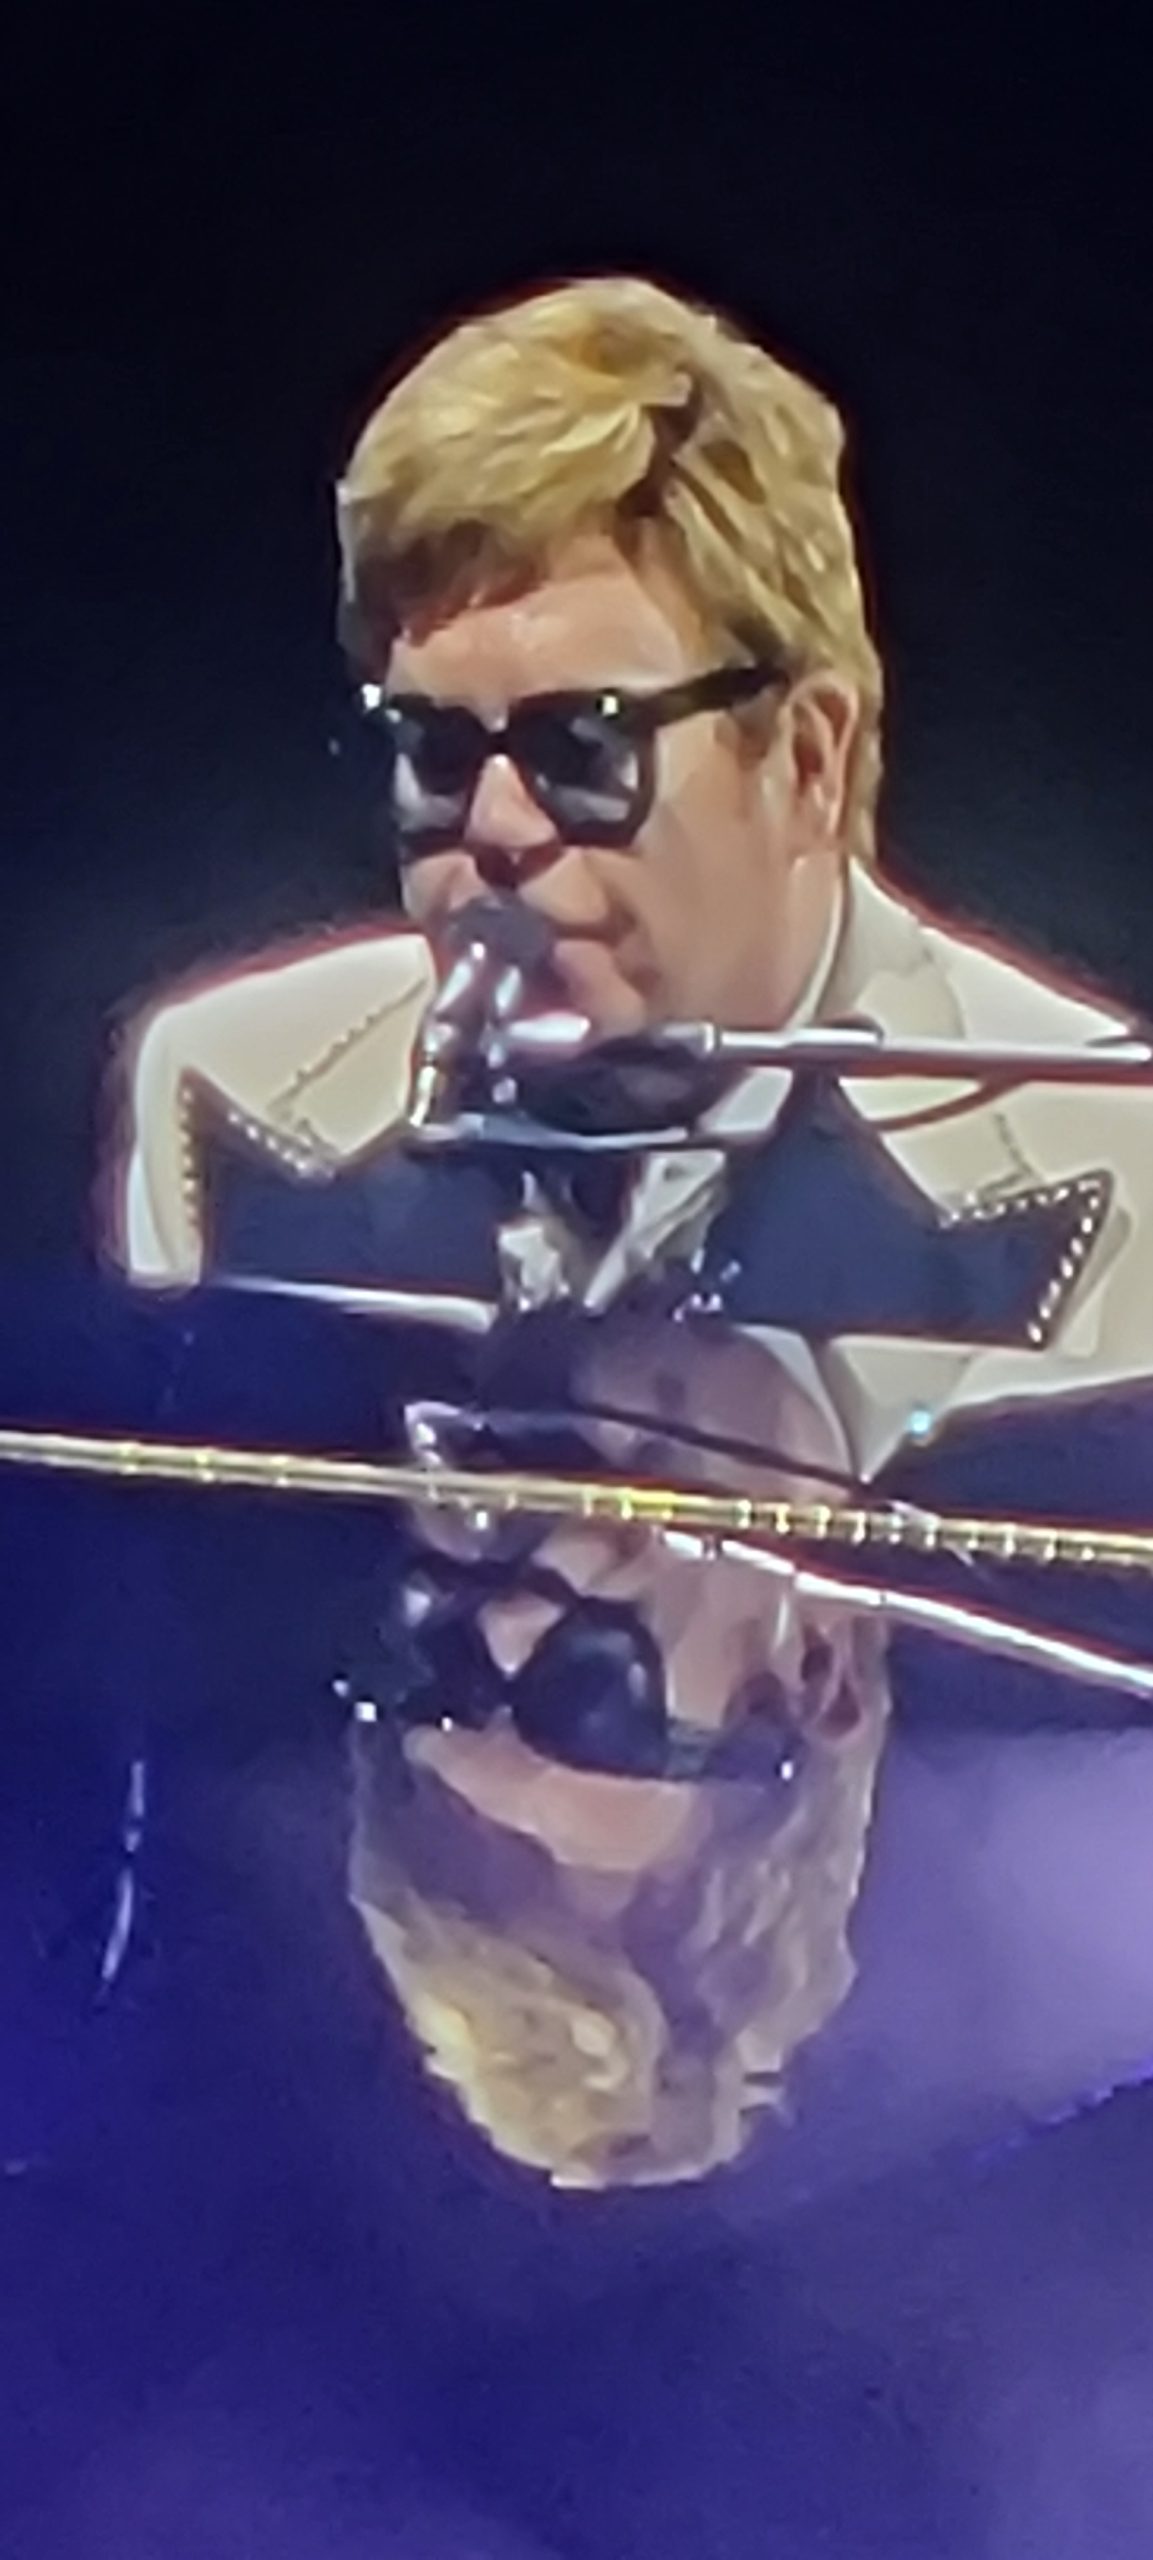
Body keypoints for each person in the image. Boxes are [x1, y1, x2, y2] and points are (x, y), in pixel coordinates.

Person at [109, 271, 1153, 2190]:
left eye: (583, 743)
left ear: (808, 757)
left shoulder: (1107, 1168)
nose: (497, 830)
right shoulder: (239, 1097)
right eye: (438, 753)